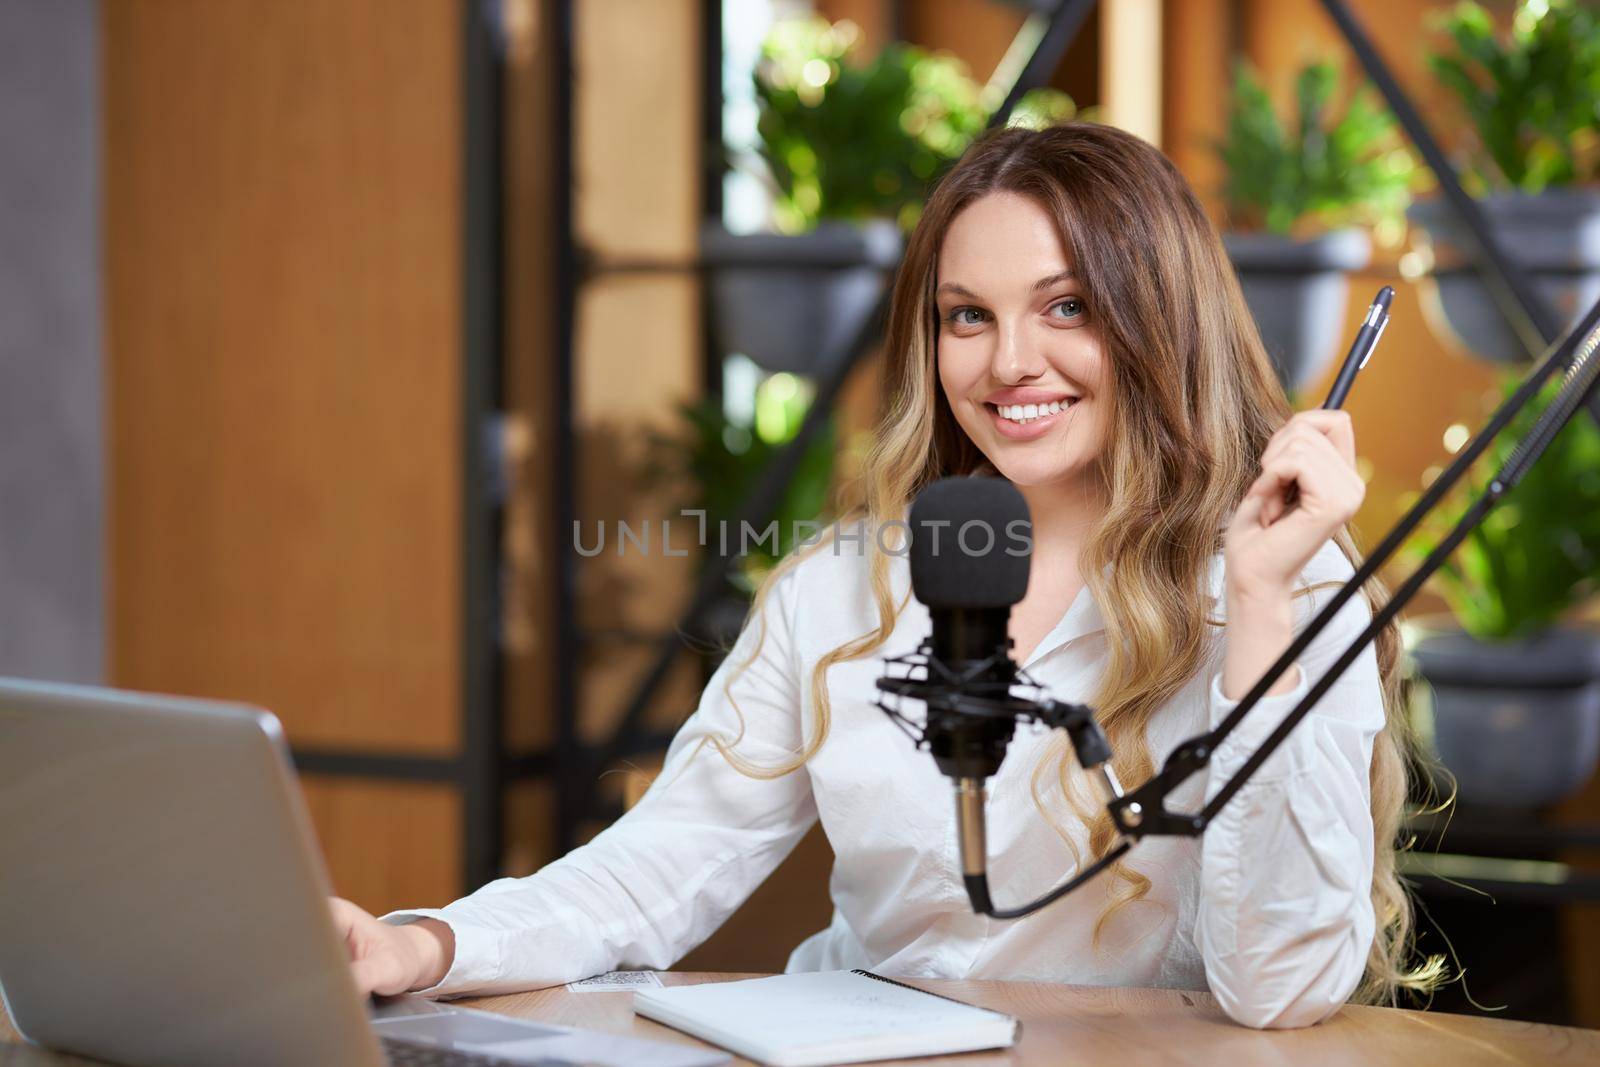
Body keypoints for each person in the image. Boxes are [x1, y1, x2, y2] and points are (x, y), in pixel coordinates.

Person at [330, 121, 1440, 1029]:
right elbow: (655, 867)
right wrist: (419, 942)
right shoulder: (844, 590)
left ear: (1160, 320)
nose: (1008, 362)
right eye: (968, 315)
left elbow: (1281, 987)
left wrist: (1257, 606)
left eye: (1067, 306)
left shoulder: (1269, 576)